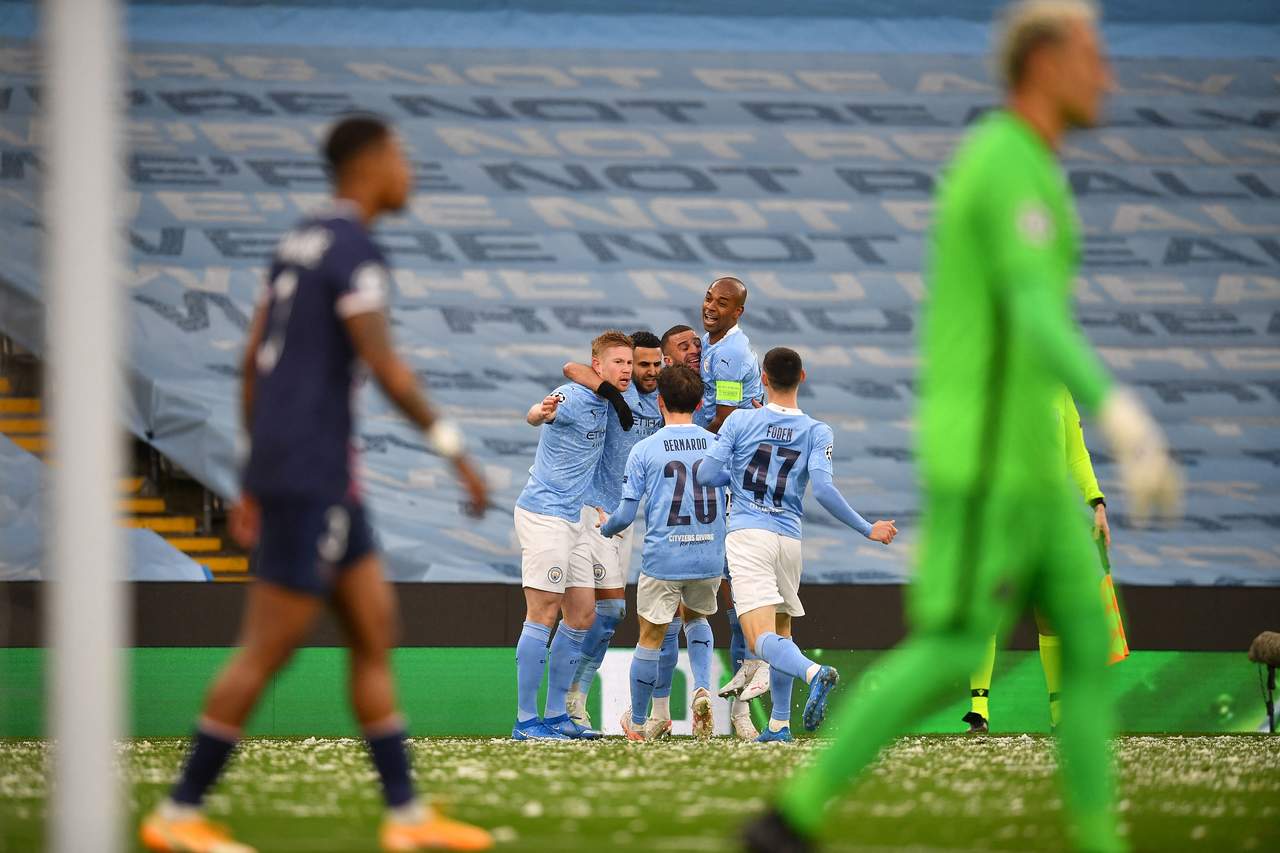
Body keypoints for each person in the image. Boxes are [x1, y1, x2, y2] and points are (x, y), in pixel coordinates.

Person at [745, 3, 1179, 850]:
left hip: (1036, 470)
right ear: (1046, 61)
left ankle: (1100, 838)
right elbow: (1029, 309)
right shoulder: (1005, 161)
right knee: (951, 651)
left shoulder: (1036, 169)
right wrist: (1119, 404)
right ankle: (789, 818)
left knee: (1086, 646)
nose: (1110, 76)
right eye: (1096, 55)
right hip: (989, 461)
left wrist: (1084, 474)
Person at [140, 114, 493, 853]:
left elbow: (251, 361)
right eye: (402, 158)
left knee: (374, 626)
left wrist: (251, 474)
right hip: (311, 472)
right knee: (269, 648)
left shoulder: (296, 241)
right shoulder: (355, 248)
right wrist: (454, 450)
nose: (410, 173)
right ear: (370, 165)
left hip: (313, 469)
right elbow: (387, 364)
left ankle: (405, 816)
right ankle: (177, 813)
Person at [697, 347, 897, 742]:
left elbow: (706, 473)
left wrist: (738, 476)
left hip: (749, 536)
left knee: (759, 639)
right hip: (789, 538)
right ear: (802, 377)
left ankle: (813, 672)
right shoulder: (818, 430)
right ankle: (779, 725)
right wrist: (866, 528)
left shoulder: (740, 421)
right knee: (782, 631)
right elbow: (822, 489)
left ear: (764, 379)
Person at [965, 387, 1123, 734]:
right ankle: (979, 710)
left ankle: (1060, 714)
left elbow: (1077, 455)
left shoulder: (1058, 392)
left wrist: (1096, 501)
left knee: (1048, 615)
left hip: (1049, 517)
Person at [511, 330, 634, 740]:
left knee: (581, 615)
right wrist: (540, 412)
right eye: (619, 363)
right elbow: (536, 414)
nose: (627, 371)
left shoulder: (608, 403)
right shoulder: (572, 395)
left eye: (630, 363)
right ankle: (525, 719)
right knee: (542, 613)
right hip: (545, 515)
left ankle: (556, 715)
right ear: (598, 366)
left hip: (578, 517)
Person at [600, 365, 724, 740]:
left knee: (650, 638)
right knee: (697, 620)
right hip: (708, 555)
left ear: (660, 401)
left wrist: (604, 527)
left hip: (664, 558)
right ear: (701, 402)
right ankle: (702, 689)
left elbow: (624, 515)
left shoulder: (645, 449)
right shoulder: (717, 446)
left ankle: (638, 723)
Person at [559, 332, 665, 729]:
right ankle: (567, 702)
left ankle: (573, 699)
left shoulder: (664, 399)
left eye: (656, 365)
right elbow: (572, 368)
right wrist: (616, 396)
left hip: (623, 520)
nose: (649, 372)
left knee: (610, 614)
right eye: (641, 365)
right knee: (587, 612)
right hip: (591, 511)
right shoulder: (612, 390)